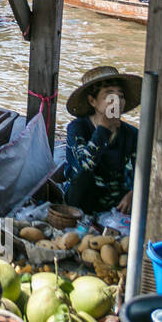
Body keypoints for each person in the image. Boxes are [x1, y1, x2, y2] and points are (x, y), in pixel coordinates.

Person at [64, 66, 141, 215]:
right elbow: (83, 167)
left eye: (120, 96)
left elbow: (139, 171)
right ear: (93, 101)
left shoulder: (132, 134)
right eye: (109, 96)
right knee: (83, 177)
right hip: (81, 199)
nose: (116, 101)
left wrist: (133, 193)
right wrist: (104, 128)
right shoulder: (77, 127)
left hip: (116, 202)